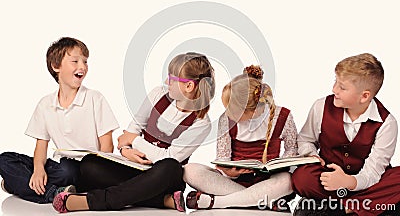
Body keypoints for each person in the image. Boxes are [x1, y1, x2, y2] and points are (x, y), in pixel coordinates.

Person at [52, 52, 215, 213]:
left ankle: (92, 201)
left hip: (163, 177)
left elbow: (168, 156)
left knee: (171, 167)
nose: (167, 82)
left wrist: (134, 141)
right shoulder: (158, 94)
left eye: (172, 79)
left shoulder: (201, 123)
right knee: (89, 164)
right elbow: (132, 130)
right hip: (136, 167)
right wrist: (126, 150)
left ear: (189, 86)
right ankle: (162, 200)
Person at [0, 37, 119, 204]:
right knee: (4, 160)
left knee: (67, 172)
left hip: (84, 168)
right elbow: (41, 146)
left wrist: (100, 176)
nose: (82, 67)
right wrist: (38, 169)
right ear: (56, 67)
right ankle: (55, 193)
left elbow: (107, 146)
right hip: (58, 166)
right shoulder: (45, 104)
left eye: (85, 61)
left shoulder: (94, 98)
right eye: (75, 61)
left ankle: (17, 184)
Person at [292, 53, 400, 216]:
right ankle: (367, 206)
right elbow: (306, 139)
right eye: (335, 82)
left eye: (342, 87)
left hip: (367, 182)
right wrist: (312, 156)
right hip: (328, 179)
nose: (334, 89)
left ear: (364, 96)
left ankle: (343, 208)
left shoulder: (387, 123)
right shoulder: (321, 106)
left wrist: (350, 182)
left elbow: (374, 171)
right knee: (301, 177)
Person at [183, 65, 298, 211]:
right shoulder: (226, 119)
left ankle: (217, 202)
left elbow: (292, 151)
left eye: (232, 110)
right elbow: (223, 158)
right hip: (234, 182)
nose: (228, 113)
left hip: (268, 181)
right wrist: (230, 172)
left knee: (287, 180)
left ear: (251, 110)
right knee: (189, 170)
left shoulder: (282, 116)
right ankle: (261, 201)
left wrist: (277, 165)